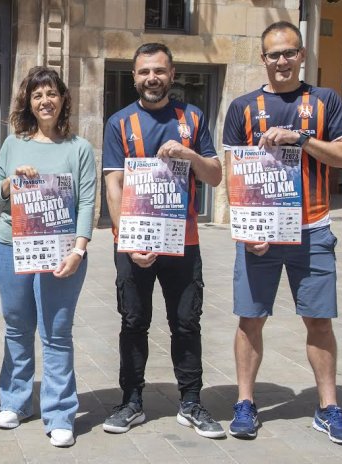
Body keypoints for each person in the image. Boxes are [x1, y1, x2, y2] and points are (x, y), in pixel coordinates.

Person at [223, 21, 342, 445]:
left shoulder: (324, 101)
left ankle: (329, 407)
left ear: (301, 55)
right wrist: (246, 227)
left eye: (289, 53)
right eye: (273, 54)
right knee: (250, 320)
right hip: (260, 234)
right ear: (262, 59)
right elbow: (234, 174)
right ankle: (245, 403)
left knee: (319, 322)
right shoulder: (242, 107)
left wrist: (303, 138)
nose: (281, 61)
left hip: (312, 230)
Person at [102, 43, 224, 439]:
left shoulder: (193, 117)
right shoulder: (119, 122)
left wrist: (189, 154)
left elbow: (215, 176)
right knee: (133, 322)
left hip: (183, 242)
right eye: (143, 72)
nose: (151, 78)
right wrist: (126, 240)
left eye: (159, 71)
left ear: (172, 75)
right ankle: (131, 401)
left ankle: (191, 401)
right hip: (135, 244)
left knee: (186, 323)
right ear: (134, 76)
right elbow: (113, 184)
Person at [0, 66, 95, 448]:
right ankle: (15, 402)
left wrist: (79, 250)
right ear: (28, 103)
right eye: (37, 95)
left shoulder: (79, 148)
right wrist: (10, 181)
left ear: (63, 99)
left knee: (56, 333)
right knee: (17, 327)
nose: (45, 101)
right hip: (11, 247)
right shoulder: (14, 143)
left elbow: (86, 204)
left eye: (51, 93)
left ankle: (60, 411)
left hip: (61, 253)